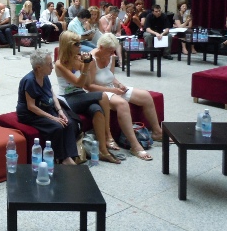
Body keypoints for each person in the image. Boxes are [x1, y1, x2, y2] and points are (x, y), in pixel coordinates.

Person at [86, 33, 163, 161]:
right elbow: (89, 86)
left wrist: (120, 85)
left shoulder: (110, 56)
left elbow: (111, 76)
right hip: (99, 92)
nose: (112, 54)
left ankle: (157, 132)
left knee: (145, 96)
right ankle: (135, 145)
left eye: (113, 51)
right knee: (122, 104)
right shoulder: (91, 59)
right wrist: (112, 90)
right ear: (100, 47)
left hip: (111, 87)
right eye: (110, 51)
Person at [54, 31, 120, 164]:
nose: (80, 46)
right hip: (67, 99)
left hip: (80, 95)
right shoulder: (59, 64)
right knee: (103, 96)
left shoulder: (78, 59)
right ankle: (109, 135)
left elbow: (87, 84)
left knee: (97, 109)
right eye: (77, 44)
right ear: (68, 45)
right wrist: (85, 66)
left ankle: (103, 151)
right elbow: (78, 83)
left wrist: (88, 65)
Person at [17, 49, 79, 165]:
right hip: (30, 114)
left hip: (45, 107)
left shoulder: (45, 76)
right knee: (57, 126)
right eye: (50, 64)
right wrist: (53, 118)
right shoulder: (29, 81)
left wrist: (59, 111)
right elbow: (31, 107)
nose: (52, 67)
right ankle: (61, 159)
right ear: (39, 67)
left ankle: (70, 156)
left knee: (68, 122)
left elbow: (52, 94)